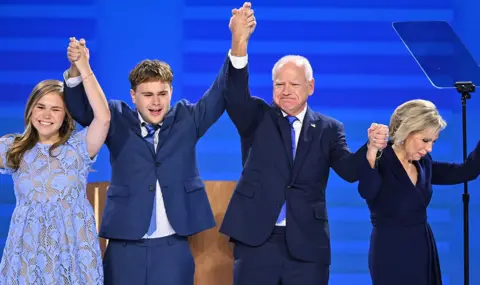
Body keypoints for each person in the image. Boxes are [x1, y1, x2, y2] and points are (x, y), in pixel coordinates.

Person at [218, 3, 389, 285]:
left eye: (294, 85)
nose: (285, 92)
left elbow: (348, 170)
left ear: (310, 87)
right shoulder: (257, 117)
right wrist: (240, 42)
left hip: (307, 244)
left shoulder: (329, 129)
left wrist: (370, 148)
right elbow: (235, 95)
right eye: (278, 84)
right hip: (257, 240)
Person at [62, 29, 234, 284]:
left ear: (171, 93)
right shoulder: (115, 117)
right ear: (134, 96)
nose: (156, 102)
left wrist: (238, 45)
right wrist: (76, 70)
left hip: (173, 247)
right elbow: (79, 108)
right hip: (124, 246)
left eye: (162, 94)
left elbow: (219, 94)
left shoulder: (187, 118)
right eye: (148, 95)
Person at [0, 38, 109, 284]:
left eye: (56, 109)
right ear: (30, 111)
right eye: (40, 107)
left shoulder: (79, 148)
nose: (46, 115)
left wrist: (83, 68)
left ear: (66, 117)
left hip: (73, 257)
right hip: (26, 259)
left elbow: (102, 118)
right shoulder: (14, 148)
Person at [358, 99, 480, 285]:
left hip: (422, 247)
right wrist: (372, 152)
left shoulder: (424, 163)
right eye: (425, 140)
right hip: (390, 251)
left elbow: (466, 171)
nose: (429, 148)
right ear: (406, 131)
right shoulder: (380, 158)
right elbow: (367, 190)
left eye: (433, 141)